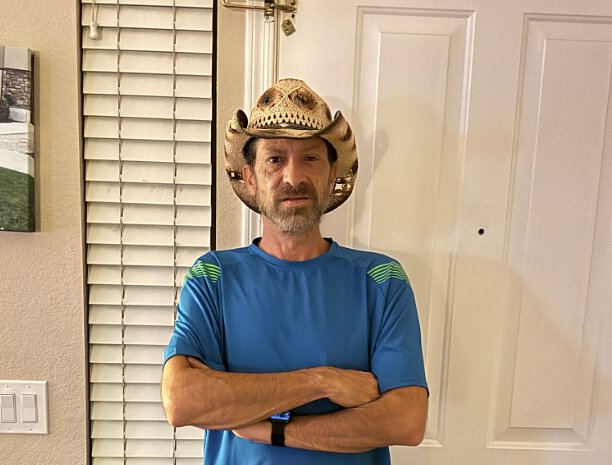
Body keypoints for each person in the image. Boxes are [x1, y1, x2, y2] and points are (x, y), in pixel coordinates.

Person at [161, 78, 428, 465]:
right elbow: (183, 401)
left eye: (311, 159)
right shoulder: (213, 277)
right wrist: (322, 381)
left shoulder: (382, 280)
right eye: (275, 159)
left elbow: (406, 420)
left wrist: (274, 431)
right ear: (250, 177)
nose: (293, 177)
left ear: (332, 173)